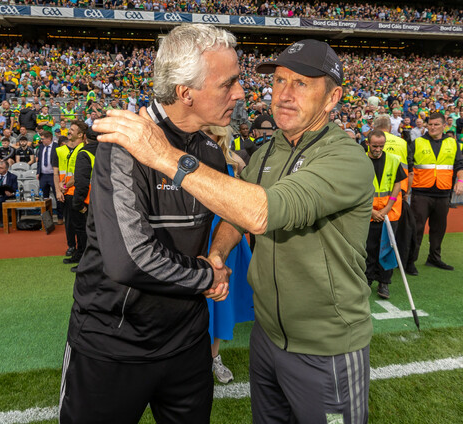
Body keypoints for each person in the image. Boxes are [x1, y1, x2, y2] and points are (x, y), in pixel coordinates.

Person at [94, 38, 375, 424]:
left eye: (301, 83)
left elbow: (259, 212)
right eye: (279, 81)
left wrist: (163, 154)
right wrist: (218, 254)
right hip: (267, 336)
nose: (284, 94)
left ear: (332, 98)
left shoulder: (345, 158)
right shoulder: (270, 150)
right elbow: (236, 216)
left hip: (326, 345)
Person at [59, 24, 236, 424]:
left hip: (188, 342)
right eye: (228, 83)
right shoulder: (122, 145)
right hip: (113, 344)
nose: (240, 93)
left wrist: (217, 253)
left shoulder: (210, 151)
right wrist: (207, 276)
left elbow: (234, 211)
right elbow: (129, 261)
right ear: (185, 92)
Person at [203, 125, 252, 384]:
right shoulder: (182, 158)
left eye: (210, 132)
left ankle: (214, 357)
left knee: (221, 299)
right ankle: (194, 357)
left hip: (225, 237)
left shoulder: (231, 162)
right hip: (195, 237)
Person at [406, 112, 463, 274]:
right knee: (416, 229)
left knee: (439, 229)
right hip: (421, 193)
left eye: (436, 124)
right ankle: (409, 261)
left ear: (444, 126)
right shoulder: (417, 142)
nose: (432, 127)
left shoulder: (453, 143)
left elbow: (460, 166)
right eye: (430, 124)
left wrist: (461, 181)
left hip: (443, 193)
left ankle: (434, 258)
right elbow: (408, 166)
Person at [365, 130, 407, 299]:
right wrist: (372, 211)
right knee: (368, 249)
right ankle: (367, 280)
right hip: (368, 213)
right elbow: (354, 189)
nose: (378, 149)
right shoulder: (360, 161)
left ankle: (384, 282)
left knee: (387, 248)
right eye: (375, 146)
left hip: (389, 214)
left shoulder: (393, 159)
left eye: (381, 146)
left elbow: (397, 184)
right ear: (368, 143)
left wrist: (387, 207)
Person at [67, 128, 98, 269]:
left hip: (89, 200)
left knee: (86, 232)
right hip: (106, 199)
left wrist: (78, 203)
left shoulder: (84, 153)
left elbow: (82, 182)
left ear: (85, 137)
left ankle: (86, 264)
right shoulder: (108, 151)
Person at [61, 120, 87, 265]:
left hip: (76, 194)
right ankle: (79, 254)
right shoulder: (75, 150)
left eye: (72, 129)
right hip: (70, 193)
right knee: (76, 227)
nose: (69, 131)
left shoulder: (81, 150)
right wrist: (63, 184)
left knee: (80, 228)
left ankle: (82, 257)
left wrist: (64, 185)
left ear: (80, 134)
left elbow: (78, 176)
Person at [36, 131, 63, 224]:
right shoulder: (41, 147)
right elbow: (39, 161)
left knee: (58, 197)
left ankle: (60, 217)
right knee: (44, 198)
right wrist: (38, 172)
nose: (41, 140)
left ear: (49, 138)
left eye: (43, 139)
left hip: (54, 175)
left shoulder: (56, 147)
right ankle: (47, 219)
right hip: (43, 175)